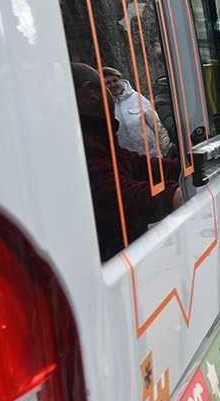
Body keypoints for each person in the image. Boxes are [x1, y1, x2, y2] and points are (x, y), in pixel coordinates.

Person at [74, 63, 182, 261]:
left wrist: (182, 166)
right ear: (91, 92)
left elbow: (135, 163)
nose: (111, 91)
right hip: (110, 258)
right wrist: (172, 195)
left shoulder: (98, 134)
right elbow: (109, 192)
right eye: (104, 86)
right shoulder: (82, 140)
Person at [103, 66, 174, 157]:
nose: (113, 85)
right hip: (127, 160)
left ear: (120, 80)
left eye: (115, 80)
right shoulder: (103, 106)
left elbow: (156, 124)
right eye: (108, 83)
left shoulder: (136, 98)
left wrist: (166, 149)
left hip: (152, 157)